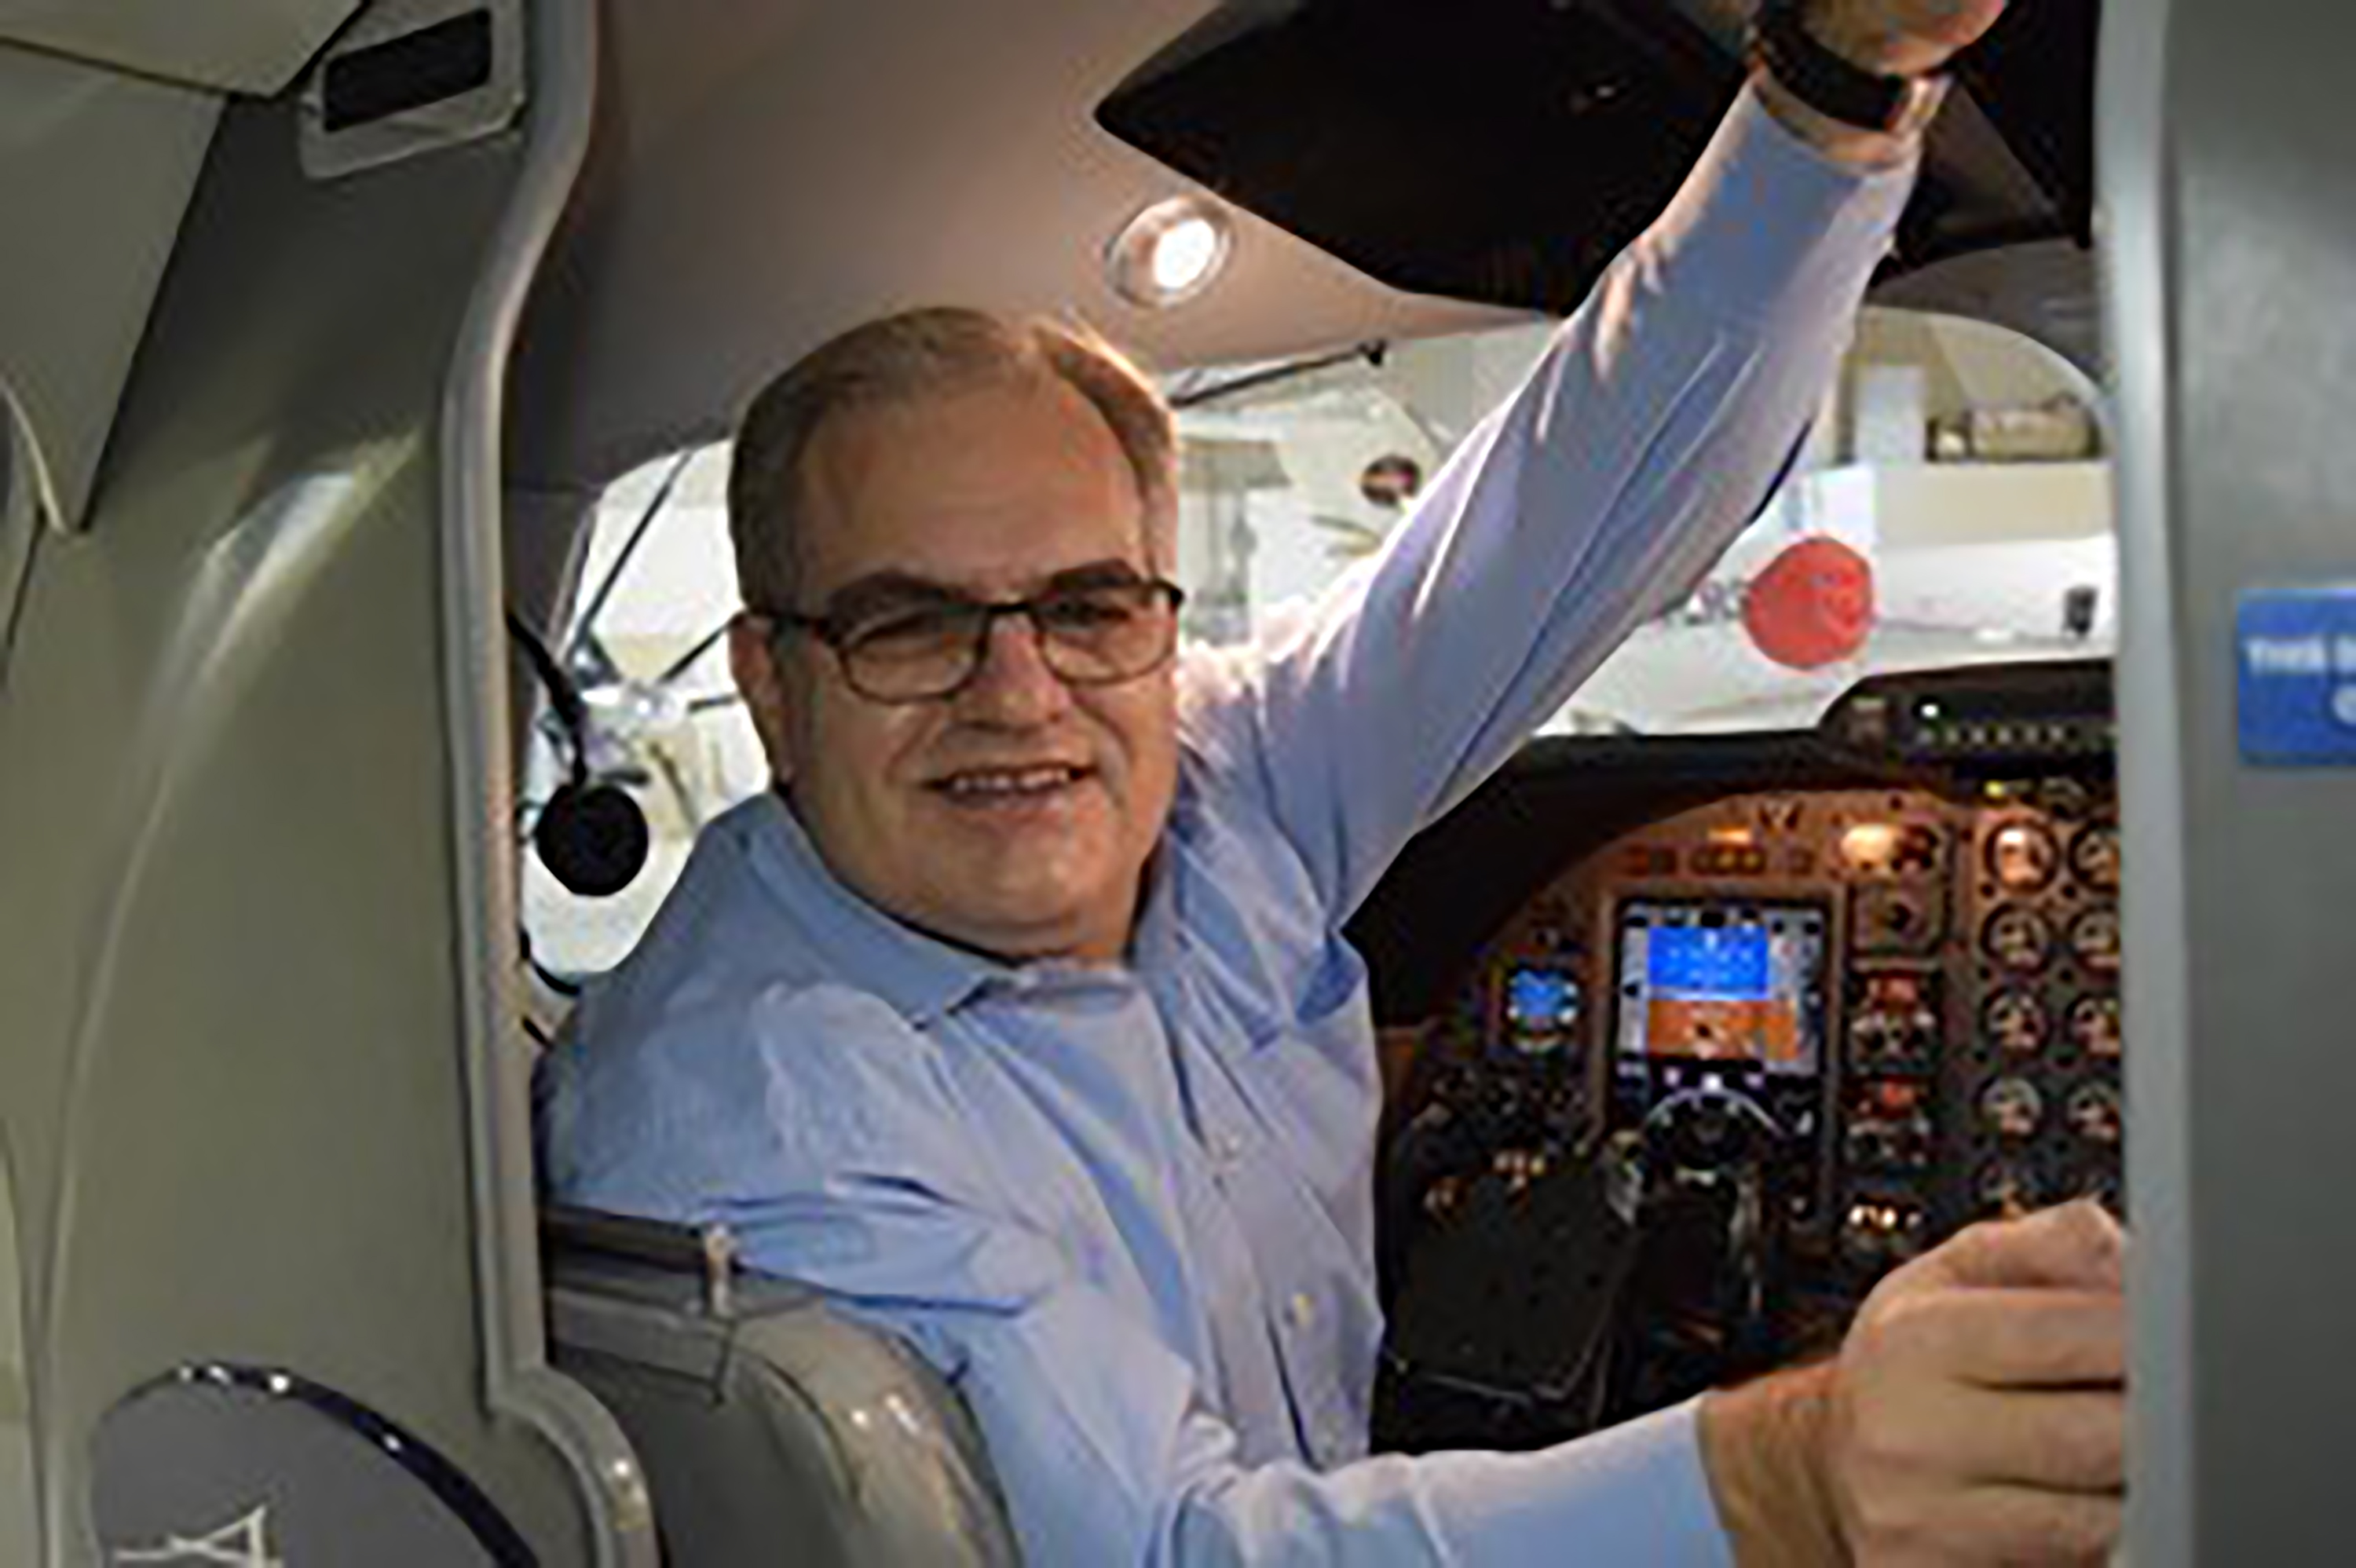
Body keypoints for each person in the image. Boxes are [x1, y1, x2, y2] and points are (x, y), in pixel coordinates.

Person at [540, 0, 2128, 1559]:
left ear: (1161, 618)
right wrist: (1783, 1472)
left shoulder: (1216, 773)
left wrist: (1837, 88)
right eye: (910, 621)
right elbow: (1178, 1546)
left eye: (1088, 605)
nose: (1018, 694)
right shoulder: (756, 1102)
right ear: (770, 679)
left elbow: (1573, 503)